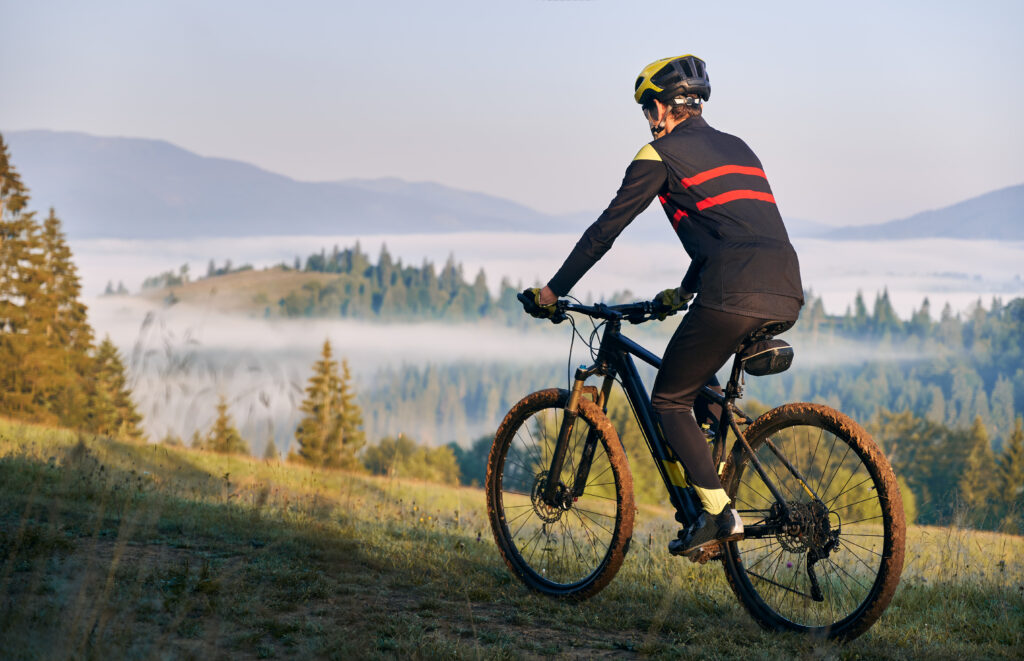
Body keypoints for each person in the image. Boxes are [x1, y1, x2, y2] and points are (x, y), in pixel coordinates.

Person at [528, 54, 804, 557]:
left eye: (647, 109)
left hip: (732, 290)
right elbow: (731, 232)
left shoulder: (661, 153)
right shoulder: (740, 148)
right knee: (700, 388)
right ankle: (717, 469)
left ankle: (720, 514)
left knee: (668, 400)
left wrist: (553, 291)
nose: (648, 121)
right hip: (785, 286)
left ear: (661, 107)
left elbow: (603, 232)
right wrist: (680, 293)